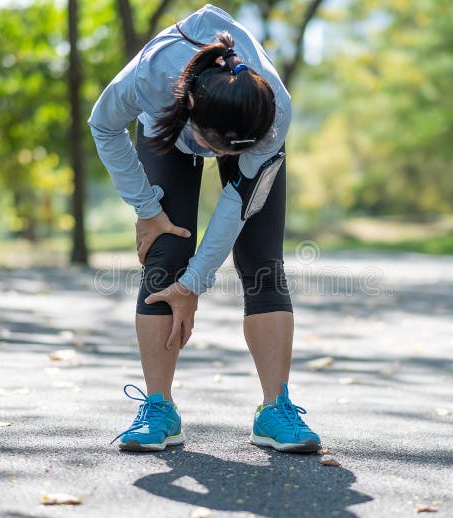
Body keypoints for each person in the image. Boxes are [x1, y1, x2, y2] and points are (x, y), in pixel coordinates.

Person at [88, 4, 320, 453]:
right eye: (214, 147)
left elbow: (237, 204)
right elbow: (103, 127)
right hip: (168, 123)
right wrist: (146, 208)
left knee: (262, 260)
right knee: (165, 253)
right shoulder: (151, 79)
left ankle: (275, 409)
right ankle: (159, 408)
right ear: (191, 107)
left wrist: (195, 284)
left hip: (238, 121)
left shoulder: (273, 113)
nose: (218, 156)